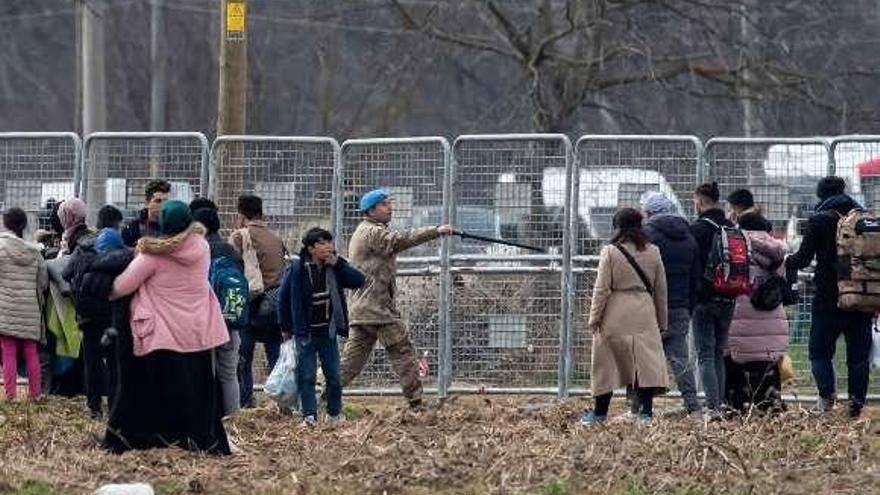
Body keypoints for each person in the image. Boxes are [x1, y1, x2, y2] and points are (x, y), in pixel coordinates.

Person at [108, 200, 230, 454]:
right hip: (197, 331)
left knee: (161, 393)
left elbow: (121, 286)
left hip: (163, 335)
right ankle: (196, 441)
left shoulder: (153, 255)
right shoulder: (202, 246)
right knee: (196, 391)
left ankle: (159, 440)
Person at [339, 189, 454, 409]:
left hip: (365, 309)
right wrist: (436, 231)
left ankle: (320, 390)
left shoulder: (367, 230)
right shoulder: (372, 233)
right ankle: (416, 402)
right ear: (370, 210)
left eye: (389, 203)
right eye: (384, 204)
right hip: (377, 310)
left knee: (351, 362)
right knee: (403, 351)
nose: (390, 207)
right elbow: (401, 240)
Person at [785, 176, 872, 418]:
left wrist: (785, 262)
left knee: (819, 351)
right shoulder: (864, 219)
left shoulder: (819, 220)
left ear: (821, 195)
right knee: (858, 356)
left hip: (828, 297)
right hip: (861, 296)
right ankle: (856, 403)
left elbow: (802, 258)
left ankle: (826, 397)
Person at [580, 208, 668, 425]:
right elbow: (660, 289)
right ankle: (646, 413)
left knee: (605, 365)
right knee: (645, 364)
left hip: (615, 311)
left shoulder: (610, 251)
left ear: (617, 227)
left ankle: (599, 414)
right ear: (640, 226)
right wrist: (662, 321)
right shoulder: (653, 251)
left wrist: (594, 318)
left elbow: (601, 289)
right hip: (645, 311)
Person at [278, 227, 365, 426]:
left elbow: (359, 280)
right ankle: (309, 415)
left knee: (334, 375)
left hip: (328, 331)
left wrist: (340, 264)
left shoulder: (333, 267)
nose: (328, 247)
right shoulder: (297, 269)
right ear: (310, 248)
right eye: (322, 243)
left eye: (329, 243)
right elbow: (283, 299)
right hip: (305, 333)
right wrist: (285, 327)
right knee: (307, 375)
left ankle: (334, 414)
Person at [723, 192, 788, 414]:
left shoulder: (735, 246)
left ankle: (736, 406)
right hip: (771, 314)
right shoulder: (779, 250)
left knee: (735, 363)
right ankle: (770, 406)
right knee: (767, 364)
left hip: (740, 314)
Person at [637, 191, 701, 417]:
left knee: (644, 357)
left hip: (651, 307)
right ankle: (692, 405)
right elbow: (696, 276)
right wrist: (688, 307)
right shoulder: (688, 235)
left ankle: (641, 409)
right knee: (680, 357)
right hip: (680, 306)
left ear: (648, 212)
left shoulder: (645, 235)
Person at [64, 205, 124, 419]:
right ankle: (116, 404)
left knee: (92, 360)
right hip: (112, 313)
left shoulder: (83, 246)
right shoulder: (120, 248)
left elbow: (66, 272)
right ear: (117, 224)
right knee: (115, 361)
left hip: (88, 313)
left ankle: (94, 407)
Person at [229, 195, 287, 409]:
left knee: (243, 357)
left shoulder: (239, 236)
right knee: (275, 355)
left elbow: (233, 272)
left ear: (241, 214)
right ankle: (280, 401)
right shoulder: (275, 238)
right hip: (275, 305)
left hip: (251, 304)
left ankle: (245, 401)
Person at [192, 201, 244, 417]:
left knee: (207, 371)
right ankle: (233, 417)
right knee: (229, 373)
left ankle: (209, 416)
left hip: (204, 319)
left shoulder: (198, 251)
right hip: (230, 319)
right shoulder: (231, 251)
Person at [689, 181, 735, 415]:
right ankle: (721, 403)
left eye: (695, 200)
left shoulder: (698, 229)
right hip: (729, 295)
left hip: (704, 298)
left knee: (705, 353)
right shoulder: (731, 226)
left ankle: (713, 406)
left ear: (701, 201)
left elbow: (692, 264)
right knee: (719, 351)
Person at [0, 208, 48, 400]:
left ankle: (10, 395)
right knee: (30, 350)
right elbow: (43, 282)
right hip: (30, 309)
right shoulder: (35, 251)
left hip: (5, 307)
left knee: (8, 351)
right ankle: (35, 393)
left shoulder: (1, 247)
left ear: (6, 223)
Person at [122, 179, 170, 247]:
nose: (163, 205)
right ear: (147, 203)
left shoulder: (174, 226)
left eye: (166, 201)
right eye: (158, 201)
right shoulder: (132, 230)